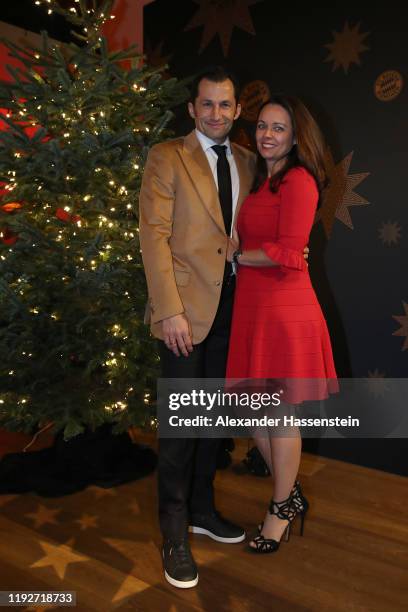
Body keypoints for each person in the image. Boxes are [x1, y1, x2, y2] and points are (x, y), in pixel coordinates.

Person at [139, 66, 256, 588]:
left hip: (235, 309)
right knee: (181, 429)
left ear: (237, 109)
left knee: (213, 424)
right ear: (192, 109)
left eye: (224, 105)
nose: (215, 114)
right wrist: (168, 310)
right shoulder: (167, 156)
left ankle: (204, 511)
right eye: (206, 104)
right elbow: (153, 237)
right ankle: (174, 531)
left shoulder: (250, 162)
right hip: (183, 312)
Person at [226, 95, 338, 553]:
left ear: (295, 136)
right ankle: (290, 496)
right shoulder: (257, 179)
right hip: (253, 306)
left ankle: (278, 509)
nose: (267, 135)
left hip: (285, 309)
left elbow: (291, 253)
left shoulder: (299, 180)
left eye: (278, 128)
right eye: (263, 126)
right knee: (255, 412)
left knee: (278, 412)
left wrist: (232, 254)